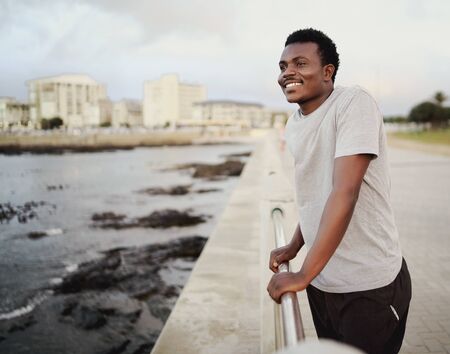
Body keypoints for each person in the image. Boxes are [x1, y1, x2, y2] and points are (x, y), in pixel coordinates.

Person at [266, 28, 412, 354]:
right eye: (282, 65)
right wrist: (293, 245)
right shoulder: (294, 123)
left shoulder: (353, 103)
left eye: (300, 63)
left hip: (369, 286)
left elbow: (344, 192)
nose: (287, 72)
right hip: (323, 282)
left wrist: (302, 273)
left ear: (327, 71)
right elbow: (314, 195)